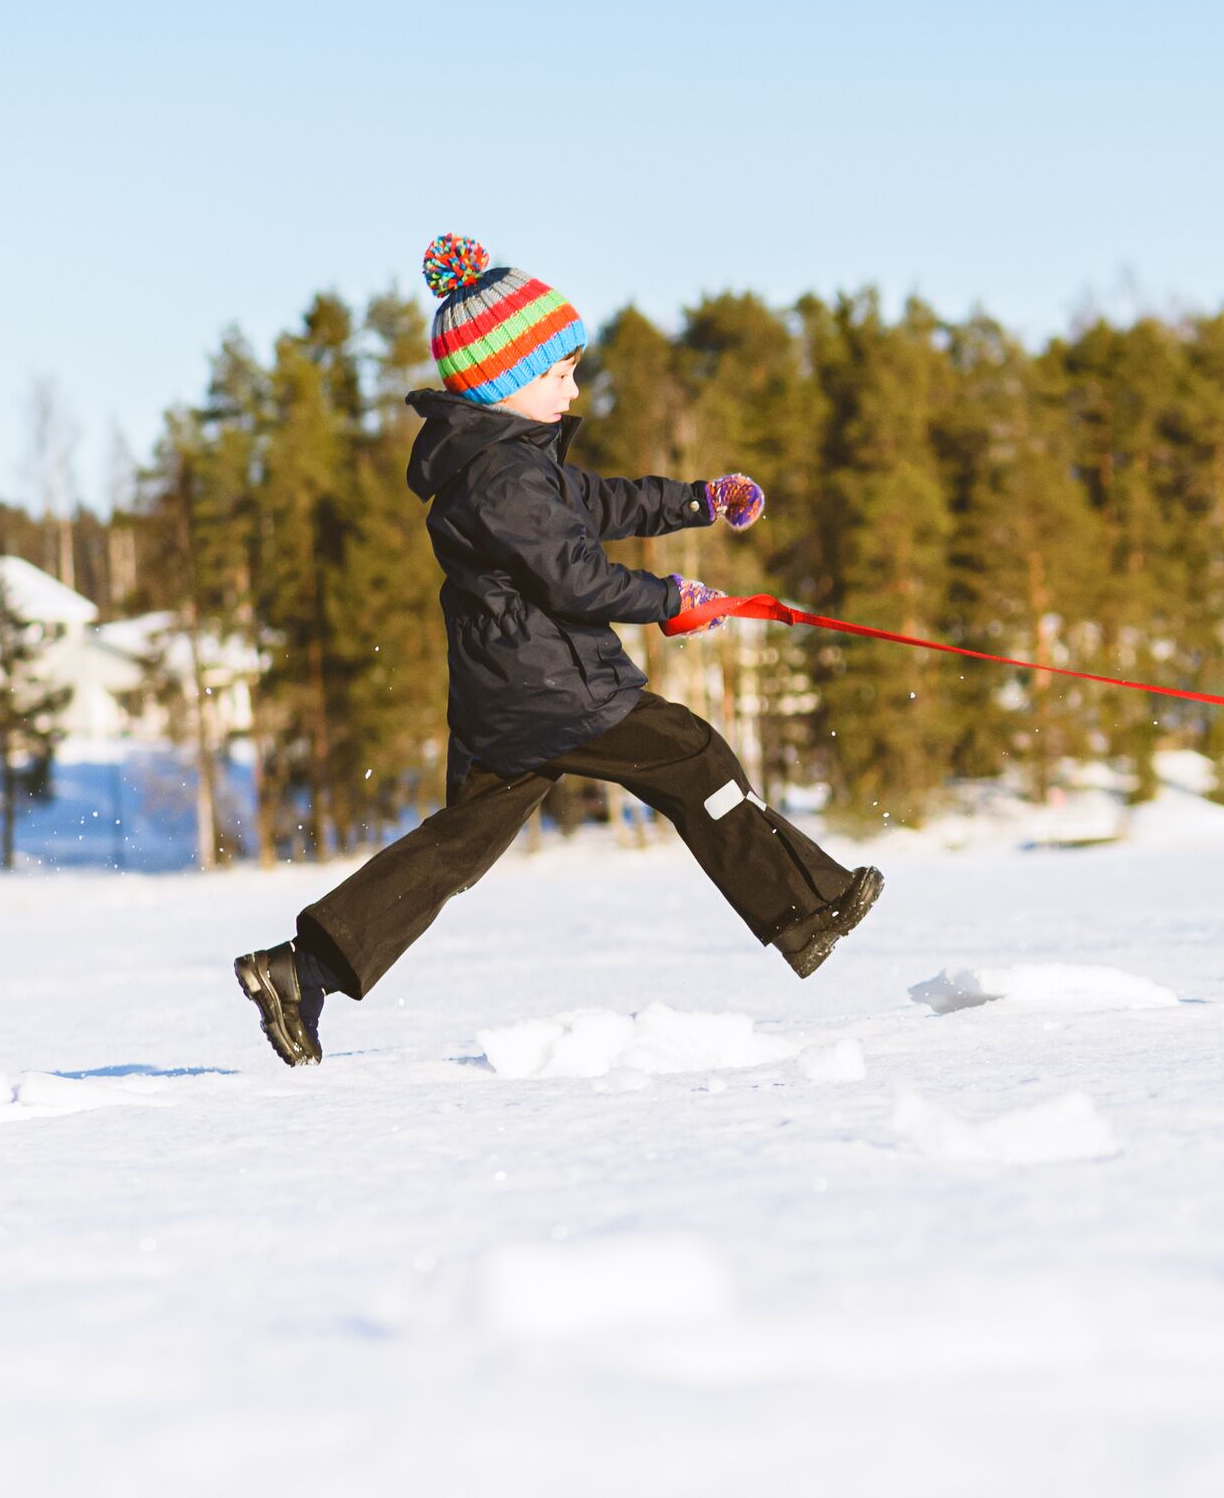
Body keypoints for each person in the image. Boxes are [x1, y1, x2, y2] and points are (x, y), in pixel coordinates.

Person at [232, 236, 882, 1066]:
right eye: (558, 374)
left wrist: (696, 500)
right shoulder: (501, 478)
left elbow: (600, 501)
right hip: (552, 689)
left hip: (507, 694)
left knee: (458, 846)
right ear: (503, 379)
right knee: (694, 757)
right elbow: (576, 580)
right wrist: (670, 599)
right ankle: (806, 909)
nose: (573, 389)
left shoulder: (509, 462)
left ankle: (303, 970)